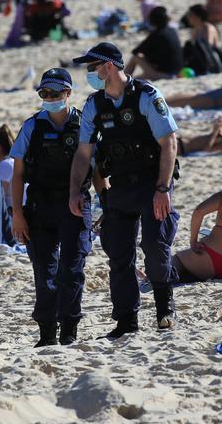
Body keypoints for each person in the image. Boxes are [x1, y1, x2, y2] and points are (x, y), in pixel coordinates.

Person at [69, 42, 180, 338]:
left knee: (155, 247)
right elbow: (84, 154)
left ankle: (164, 307)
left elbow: (169, 143)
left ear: (109, 66)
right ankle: (126, 321)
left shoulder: (146, 96)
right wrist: (75, 191)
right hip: (118, 186)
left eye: (94, 67)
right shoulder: (95, 105)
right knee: (119, 254)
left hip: (151, 184)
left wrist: (162, 188)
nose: (91, 73)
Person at [10, 68, 93, 347]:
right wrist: (17, 215)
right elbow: (17, 174)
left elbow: (98, 169)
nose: (49, 98)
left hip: (76, 204)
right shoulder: (32, 127)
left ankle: (69, 330)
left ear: (68, 93)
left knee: (72, 269)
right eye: (44, 93)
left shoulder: (84, 124)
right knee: (44, 272)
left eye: (55, 93)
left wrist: (107, 203)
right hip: (40, 205)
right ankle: (47, 333)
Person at [124, 6, 183, 80]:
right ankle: (124, 79)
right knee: (138, 77)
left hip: (166, 75)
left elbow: (135, 51)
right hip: (179, 72)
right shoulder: (172, 31)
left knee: (136, 57)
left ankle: (123, 79)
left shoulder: (157, 34)